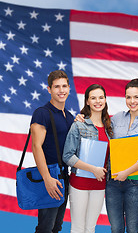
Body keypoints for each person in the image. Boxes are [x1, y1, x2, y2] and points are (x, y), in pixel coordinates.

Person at [105, 78, 138, 233]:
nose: (132, 101)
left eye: (136, 97)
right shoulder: (117, 117)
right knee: (116, 228)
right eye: (128, 97)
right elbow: (103, 133)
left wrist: (126, 173)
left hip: (135, 183)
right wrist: (82, 117)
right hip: (112, 182)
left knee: (133, 229)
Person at [63, 84, 112, 233]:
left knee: (90, 228)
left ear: (105, 100)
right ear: (87, 102)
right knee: (78, 228)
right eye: (93, 98)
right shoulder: (79, 124)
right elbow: (67, 156)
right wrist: (93, 169)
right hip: (80, 184)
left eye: (101, 97)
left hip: (100, 184)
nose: (98, 101)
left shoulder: (110, 127)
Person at [30, 70, 74, 233]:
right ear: (49, 89)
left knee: (56, 227)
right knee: (45, 228)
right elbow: (36, 147)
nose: (61, 90)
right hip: (50, 176)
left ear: (69, 88)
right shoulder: (42, 113)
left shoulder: (69, 116)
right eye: (56, 87)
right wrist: (46, 178)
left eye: (64, 86)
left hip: (65, 177)